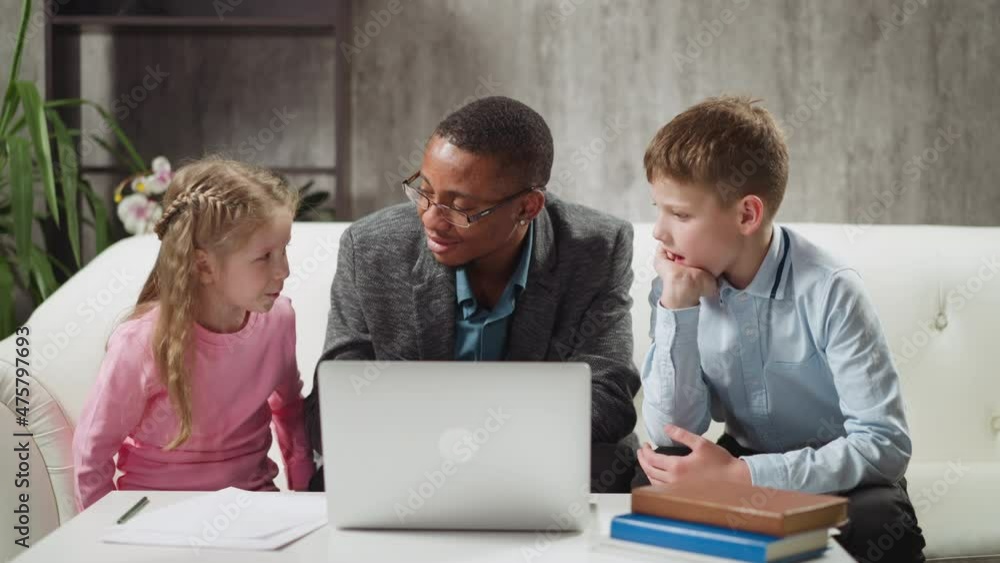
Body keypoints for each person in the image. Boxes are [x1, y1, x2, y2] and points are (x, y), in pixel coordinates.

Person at [634, 96, 926, 561]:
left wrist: (744, 478)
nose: (658, 232)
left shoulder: (830, 290)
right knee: (656, 478)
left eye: (681, 215)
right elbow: (673, 431)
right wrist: (677, 308)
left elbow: (884, 444)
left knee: (881, 523)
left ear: (747, 215)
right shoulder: (678, 281)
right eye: (658, 209)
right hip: (741, 459)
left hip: (840, 475)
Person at [305, 96, 640, 492]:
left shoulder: (597, 247)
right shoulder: (370, 248)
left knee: (610, 466)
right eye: (424, 191)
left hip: (540, 467)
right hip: (409, 466)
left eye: (460, 208)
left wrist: (484, 443)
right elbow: (336, 398)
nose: (431, 218)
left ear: (528, 207)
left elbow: (609, 393)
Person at [73, 158, 313, 510]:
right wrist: (106, 534)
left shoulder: (278, 321)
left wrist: (304, 500)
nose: (284, 270)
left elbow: (290, 410)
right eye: (264, 257)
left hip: (255, 513)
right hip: (154, 515)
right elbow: (91, 453)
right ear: (204, 265)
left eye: (284, 249)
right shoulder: (140, 342)